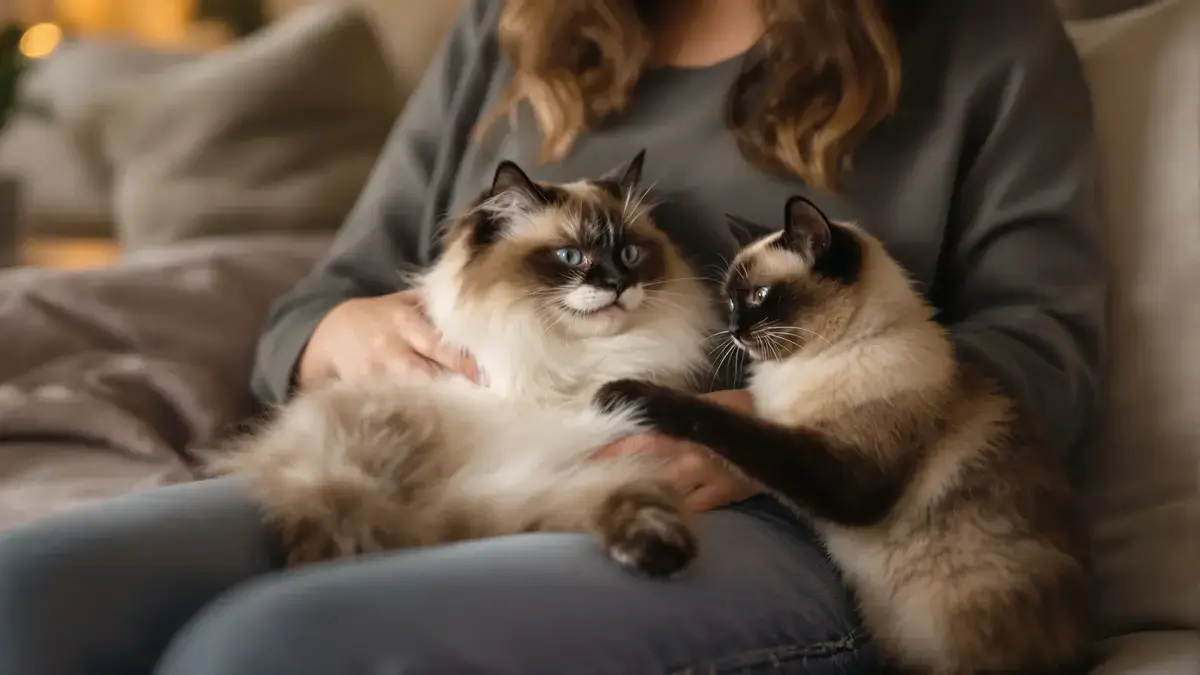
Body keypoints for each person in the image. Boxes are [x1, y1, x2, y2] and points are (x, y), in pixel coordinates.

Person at [0, 1, 1105, 673]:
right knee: (29, 591)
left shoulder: (985, 34)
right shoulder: (514, 21)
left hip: (766, 515)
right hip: (451, 451)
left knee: (270, 650)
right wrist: (346, 331)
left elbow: (1047, 352)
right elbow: (317, 300)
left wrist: (758, 433)